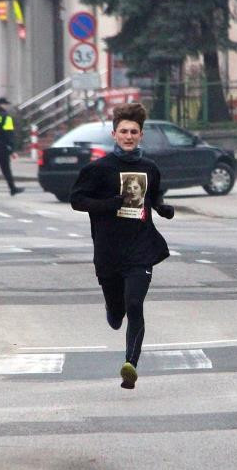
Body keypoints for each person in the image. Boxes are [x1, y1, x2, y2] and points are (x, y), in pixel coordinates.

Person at [70, 103, 174, 389]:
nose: (129, 136)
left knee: (135, 304)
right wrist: (106, 205)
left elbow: (153, 197)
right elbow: (77, 200)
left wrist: (163, 208)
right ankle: (112, 310)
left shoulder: (149, 168)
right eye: (124, 131)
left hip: (141, 248)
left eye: (134, 132)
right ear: (114, 134)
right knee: (117, 314)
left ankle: (131, 365)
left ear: (141, 135)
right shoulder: (99, 169)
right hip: (108, 250)